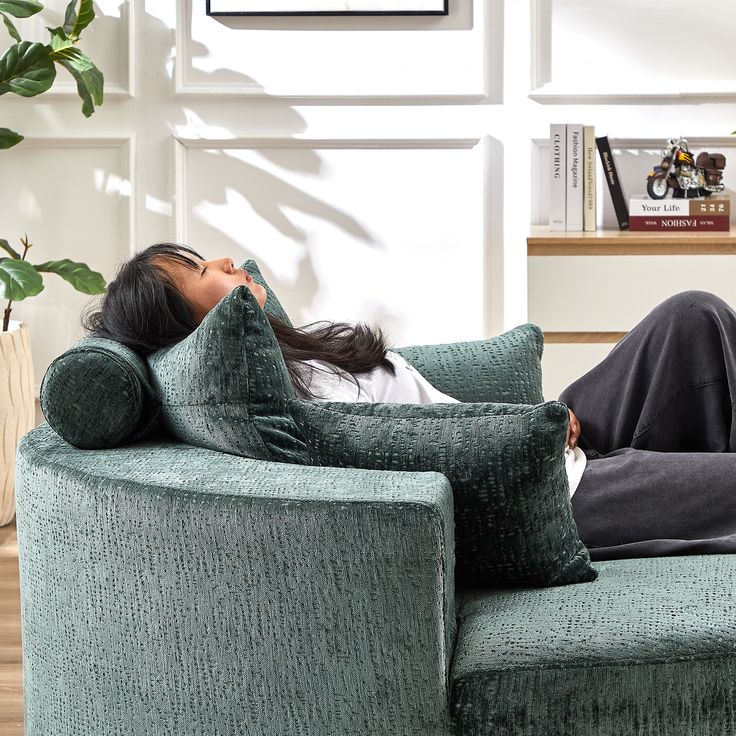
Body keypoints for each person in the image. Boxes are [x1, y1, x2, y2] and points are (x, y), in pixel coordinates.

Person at [82, 243, 736, 562]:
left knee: (692, 317)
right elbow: (420, 453)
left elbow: (427, 411)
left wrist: (538, 422)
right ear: (199, 326)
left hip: (545, 447)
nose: (224, 259)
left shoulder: (298, 361)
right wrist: (526, 431)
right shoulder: (286, 407)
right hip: (546, 492)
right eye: (204, 272)